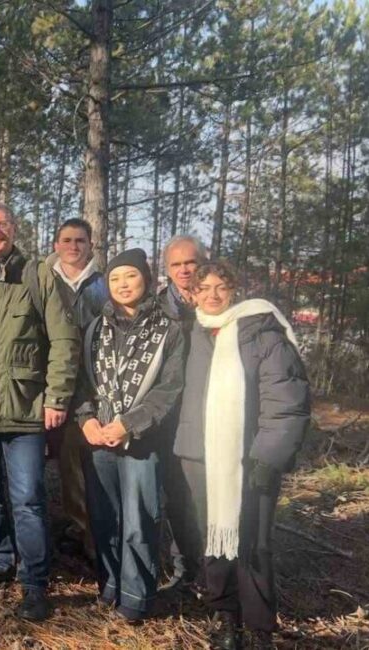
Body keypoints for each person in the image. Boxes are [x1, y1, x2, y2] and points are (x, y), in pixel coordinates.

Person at [0, 201, 79, 621]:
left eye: (1, 224)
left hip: (25, 410)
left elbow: (63, 340)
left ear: (14, 228)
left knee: (27, 499)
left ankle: (35, 583)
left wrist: (57, 397)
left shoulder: (38, 275)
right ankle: (0, 559)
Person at [175, 260, 309, 650]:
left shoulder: (261, 330)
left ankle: (259, 626)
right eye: (205, 287)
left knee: (253, 540)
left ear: (234, 290)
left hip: (252, 458)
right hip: (200, 457)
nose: (213, 295)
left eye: (222, 286)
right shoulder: (190, 332)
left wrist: (269, 455)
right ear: (193, 292)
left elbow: (287, 399)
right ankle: (225, 616)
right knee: (213, 537)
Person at [75, 248, 186, 624]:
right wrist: (87, 419)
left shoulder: (169, 329)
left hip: (142, 439)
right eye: (116, 278)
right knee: (105, 516)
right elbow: (82, 383)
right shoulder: (95, 328)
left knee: (140, 519)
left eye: (131, 277)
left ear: (147, 280)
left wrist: (130, 423)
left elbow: (169, 390)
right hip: (99, 437)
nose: (123, 285)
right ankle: (109, 584)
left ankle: (136, 597)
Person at [44, 218, 108, 560]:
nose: (73, 246)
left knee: (77, 465)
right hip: (45, 384)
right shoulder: (43, 279)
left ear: (90, 246)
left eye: (79, 240)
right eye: (66, 239)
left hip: (86, 388)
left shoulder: (103, 285)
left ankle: (82, 532)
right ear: (56, 245)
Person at [158, 234, 209, 590]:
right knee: (176, 494)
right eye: (176, 264)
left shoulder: (219, 302)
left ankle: (216, 573)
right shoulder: (157, 306)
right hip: (169, 414)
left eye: (190, 262)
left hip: (211, 413)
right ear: (166, 269)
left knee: (208, 500)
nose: (184, 270)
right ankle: (184, 568)